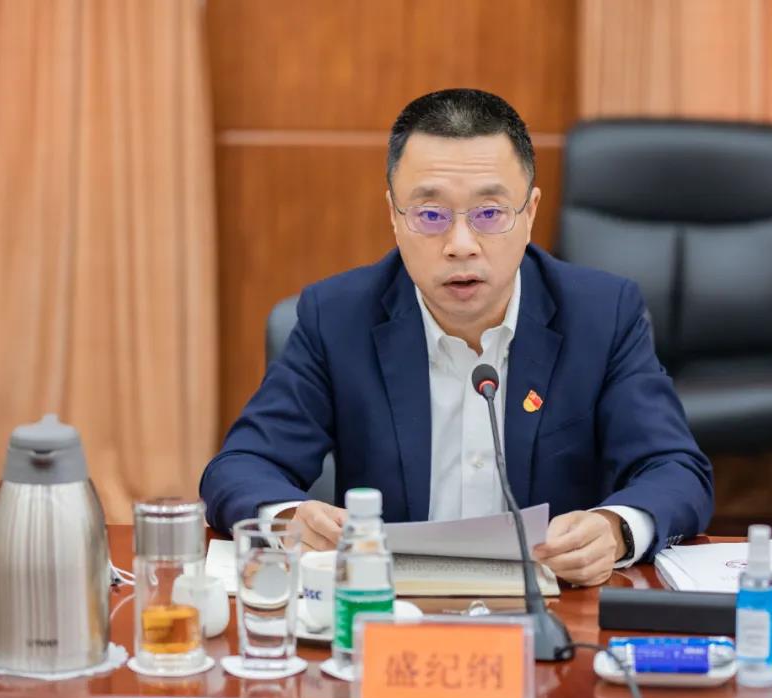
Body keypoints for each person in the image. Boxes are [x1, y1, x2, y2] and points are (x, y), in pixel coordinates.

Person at [200, 88, 713, 586]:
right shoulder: (337, 317)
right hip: (386, 609)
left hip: (552, 613)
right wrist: (290, 518)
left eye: (490, 214)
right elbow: (241, 466)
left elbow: (675, 469)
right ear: (394, 217)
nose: (461, 245)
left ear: (530, 213)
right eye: (430, 215)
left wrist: (616, 528)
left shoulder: (601, 314)